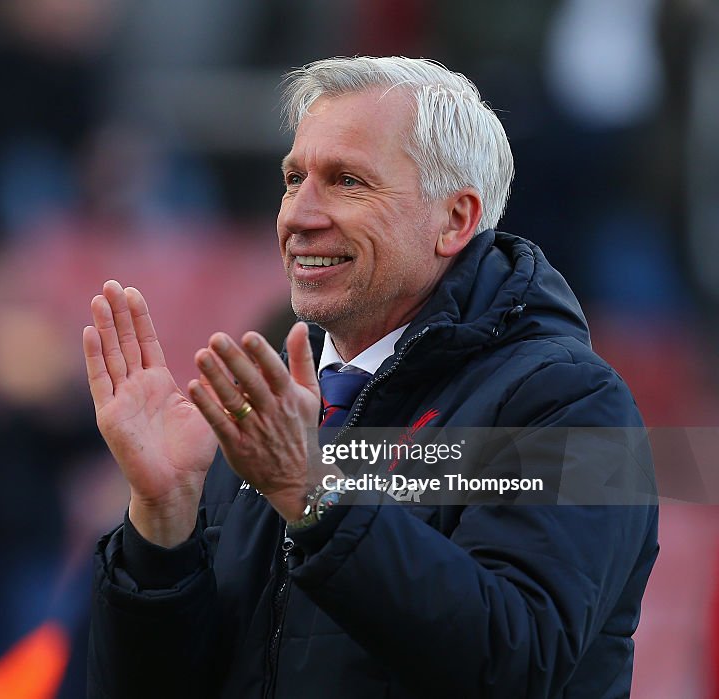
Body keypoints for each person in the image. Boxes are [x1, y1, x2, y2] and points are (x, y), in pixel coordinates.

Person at [81, 56, 659, 698]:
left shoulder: (572, 402)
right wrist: (162, 523)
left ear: (455, 221)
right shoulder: (259, 408)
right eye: (293, 177)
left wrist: (315, 497)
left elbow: (517, 662)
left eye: (347, 181)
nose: (299, 215)